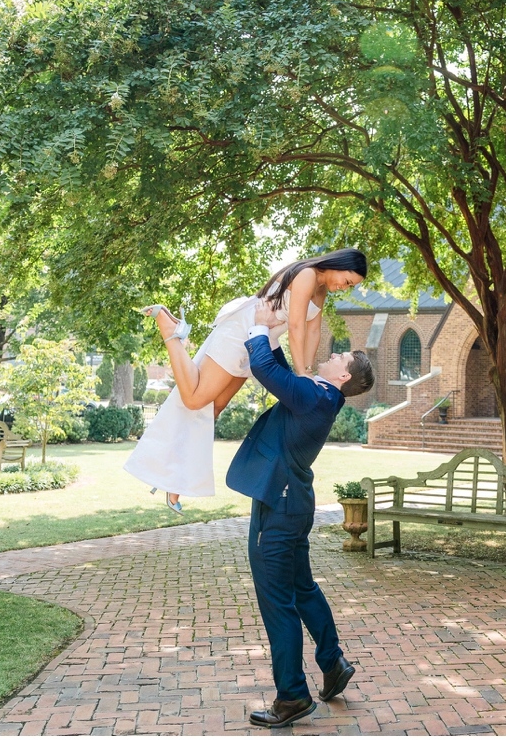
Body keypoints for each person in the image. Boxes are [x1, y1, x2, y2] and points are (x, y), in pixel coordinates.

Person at [122, 249, 367, 512]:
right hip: (243, 331)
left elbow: (313, 331)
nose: (344, 287)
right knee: (194, 400)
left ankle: (175, 479)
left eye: (350, 286)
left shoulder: (321, 289)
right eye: (347, 281)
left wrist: (304, 373)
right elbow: (296, 327)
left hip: (258, 340)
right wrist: (302, 374)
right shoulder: (307, 274)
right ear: (339, 265)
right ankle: (170, 331)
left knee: (213, 409)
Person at [229, 300, 375, 728]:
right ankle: (332, 663)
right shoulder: (320, 395)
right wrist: (272, 334)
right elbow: (283, 376)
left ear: (344, 376)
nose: (331, 355)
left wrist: (258, 327)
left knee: (279, 603)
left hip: (279, 506)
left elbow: (270, 375)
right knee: (302, 588)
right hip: (294, 504)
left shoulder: (315, 396)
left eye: (339, 357)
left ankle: (292, 696)